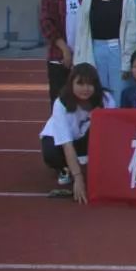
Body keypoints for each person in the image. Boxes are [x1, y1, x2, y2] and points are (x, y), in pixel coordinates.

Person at [39, 63, 114, 203]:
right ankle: (64, 169)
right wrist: (78, 178)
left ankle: (90, 166)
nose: (85, 89)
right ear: (71, 84)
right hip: (59, 139)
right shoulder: (61, 103)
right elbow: (66, 143)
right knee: (51, 153)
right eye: (80, 83)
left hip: (85, 136)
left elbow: (110, 133)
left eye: (89, 84)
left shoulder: (106, 99)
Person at [73, 0, 136, 95]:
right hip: (94, 50)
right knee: (97, 92)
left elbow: (131, 33)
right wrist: (79, 60)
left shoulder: (127, 0)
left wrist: (127, 63)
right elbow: (81, 32)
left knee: (120, 92)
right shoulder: (88, 0)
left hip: (118, 51)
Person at [40, 0, 92, 110]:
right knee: (60, 103)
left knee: (87, 102)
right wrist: (65, 50)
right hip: (59, 57)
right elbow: (46, 23)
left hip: (87, 56)